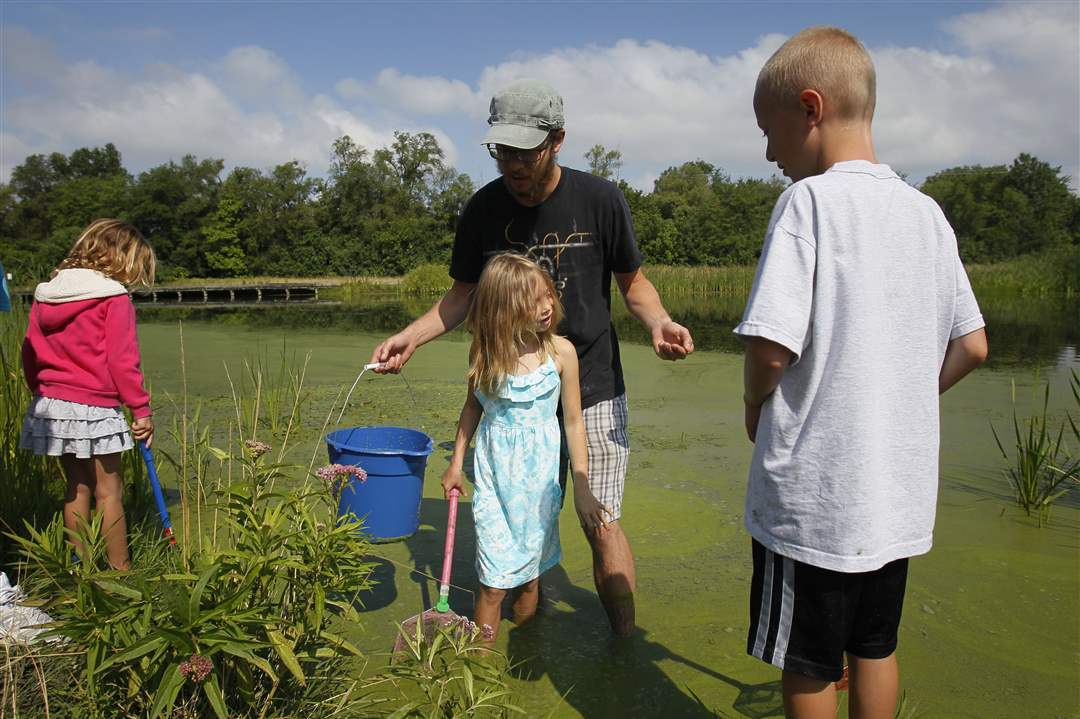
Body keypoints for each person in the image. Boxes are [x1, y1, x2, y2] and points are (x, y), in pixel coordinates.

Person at [372, 78, 694, 636]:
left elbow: (634, 283)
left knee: (601, 521)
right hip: (508, 398)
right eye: (504, 151)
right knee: (521, 524)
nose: (514, 164)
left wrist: (660, 322)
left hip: (588, 385)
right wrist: (410, 337)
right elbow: (461, 297)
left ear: (558, 140)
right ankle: (530, 631)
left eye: (527, 150)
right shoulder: (482, 209)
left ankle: (626, 644)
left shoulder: (600, 200)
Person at [736, 27, 988, 719]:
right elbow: (974, 345)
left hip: (815, 499)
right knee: (873, 645)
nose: (767, 152)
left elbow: (770, 349)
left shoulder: (808, 204)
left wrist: (754, 401)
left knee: (809, 661)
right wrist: (902, 395)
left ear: (810, 109)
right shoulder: (927, 215)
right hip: (893, 498)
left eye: (769, 130)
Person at [441, 253, 611, 642]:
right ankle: (480, 667)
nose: (547, 306)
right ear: (506, 307)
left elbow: (573, 422)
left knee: (531, 581)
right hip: (495, 483)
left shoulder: (561, 353)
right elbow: (472, 409)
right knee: (492, 584)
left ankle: (527, 645)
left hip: (538, 488)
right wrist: (455, 463)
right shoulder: (486, 353)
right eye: (534, 301)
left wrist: (581, 488)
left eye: (548, 295)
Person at [20, 219, 156, 571]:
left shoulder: (46, 293)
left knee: (76, 488)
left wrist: (39, 389)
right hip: (94, 405)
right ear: (121, 258)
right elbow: (122, 360)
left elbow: (29, 350)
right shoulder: (113, 298)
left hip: (51, 406)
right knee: (109, 491)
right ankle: (121, 573)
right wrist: (140, 409)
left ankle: (81, 568)